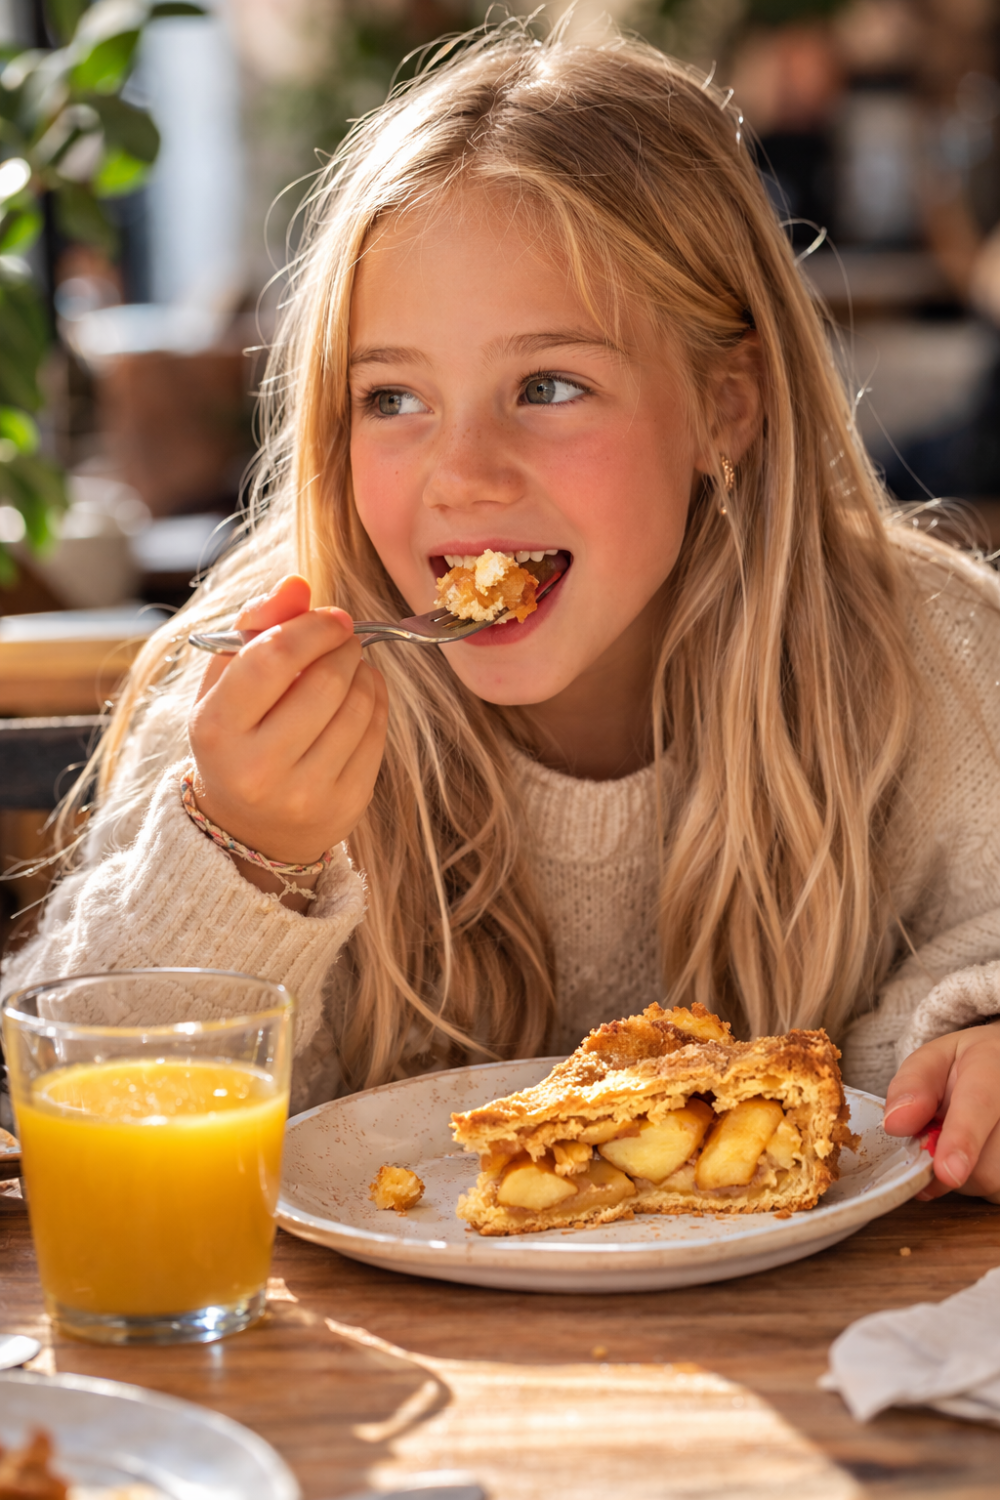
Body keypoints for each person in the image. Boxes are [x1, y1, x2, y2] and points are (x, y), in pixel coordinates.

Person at [4, 21, 998, 1204]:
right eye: (393, 398)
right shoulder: (250, 701)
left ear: (725, 407)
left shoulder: (928, 656)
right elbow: (79, 1105)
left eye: (548, 385)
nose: (462, 474)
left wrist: (964, 1045)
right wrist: (244, 855)